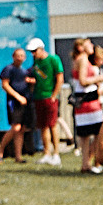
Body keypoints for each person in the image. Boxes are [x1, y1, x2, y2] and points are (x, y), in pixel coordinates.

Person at [69, 40, 103, 174]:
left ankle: (86, 164)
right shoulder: (83, 60)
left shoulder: (77, 60)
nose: (92, 46)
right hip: (89, 101)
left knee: (84, 137)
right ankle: (94, 162)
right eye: (89, 44)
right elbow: (83, 81)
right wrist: (99, 78)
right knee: (98, 133)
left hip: (81, 102)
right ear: (81, 47)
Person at [27, 38, 63, 167]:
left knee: (52, 124)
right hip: (38, 96)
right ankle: (47, 153)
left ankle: (56, 154)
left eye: (34, 51)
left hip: (50, 96)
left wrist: (54, 95)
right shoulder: (36, 62)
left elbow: (59, 78)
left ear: (41, 49)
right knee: (43, 126)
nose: (33, 54)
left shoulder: (54, 59)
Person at [0, 48, 32, 164]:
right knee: (15, 127)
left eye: (22, 56)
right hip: (13, 102)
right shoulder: (8, 69)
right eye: (18, 55)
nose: (20, 58)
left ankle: (18, 156)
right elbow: (5, 85)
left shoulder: (24, 71)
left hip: (24, 101)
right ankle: (0, 151)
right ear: (13, 56)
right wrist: (17, 96)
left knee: (21, 129)